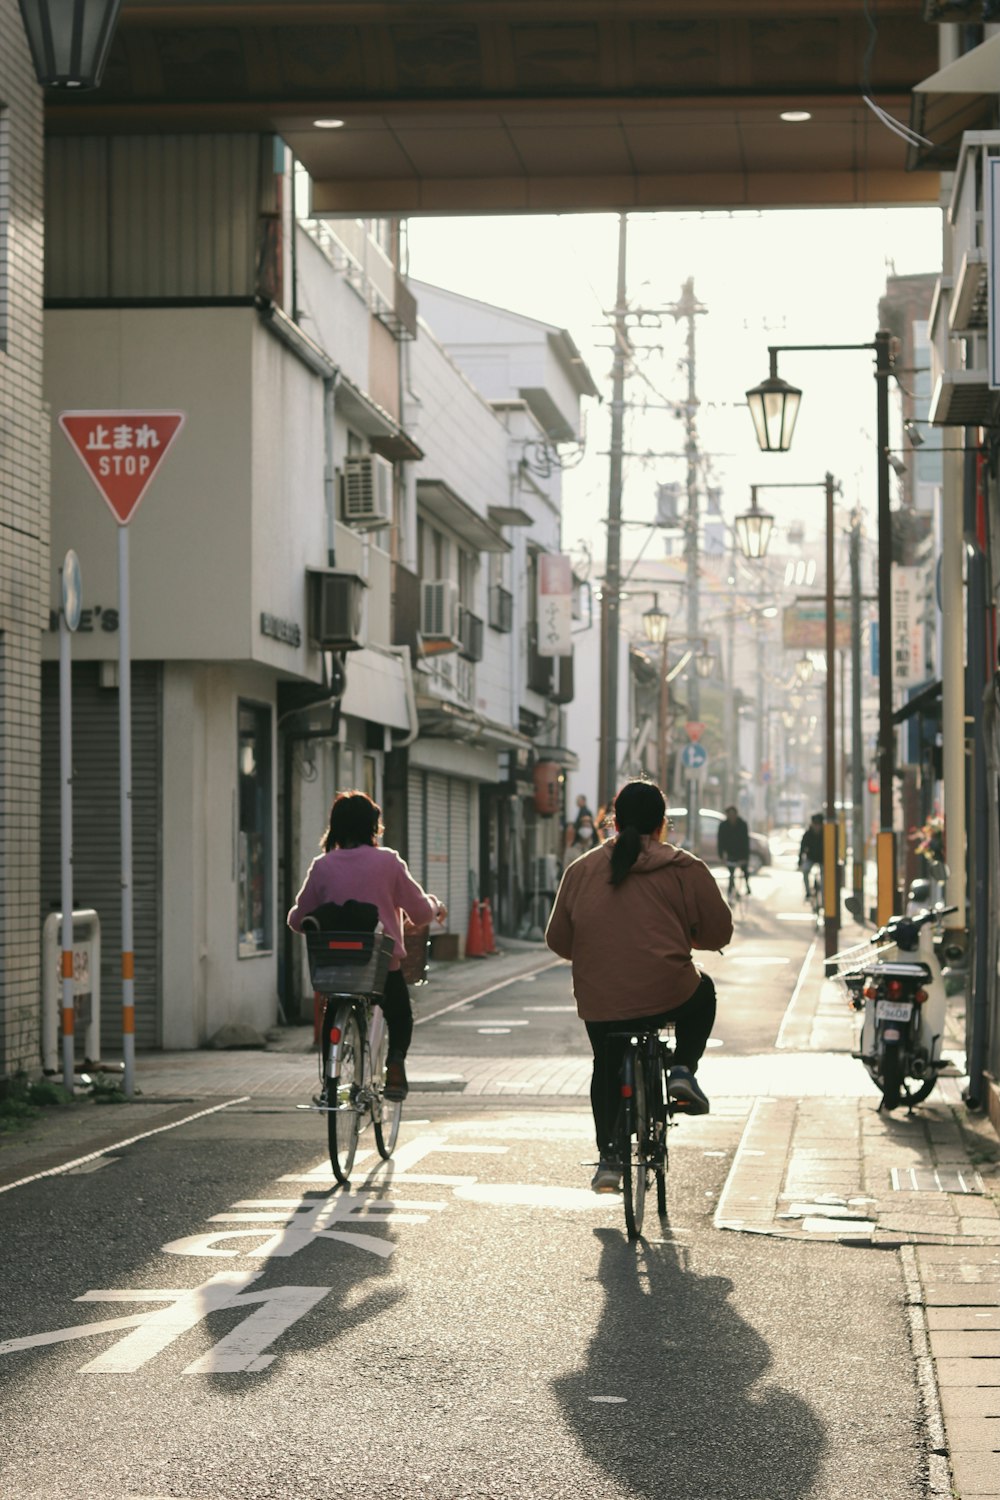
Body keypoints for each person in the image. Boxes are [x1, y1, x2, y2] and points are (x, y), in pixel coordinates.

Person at [545, 778, 733, 1193]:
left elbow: (558, 940)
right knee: (704, 993)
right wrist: (688, 938)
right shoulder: (684, 867)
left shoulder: (582, 870)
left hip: (601, 999)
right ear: (662, 824)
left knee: (605, 1065)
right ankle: (683, 1068)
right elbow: (718, 933)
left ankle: (610, 1159)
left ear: (613, 821)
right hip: (669, 990)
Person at [287, 790, 447, 1101]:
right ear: (373, 827)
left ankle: (331, 1082)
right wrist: (435, 904)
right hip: (379, 965)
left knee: (334, 1009)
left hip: (334, 967)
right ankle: (396, 1064)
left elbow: (297, 919)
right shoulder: (387, 862)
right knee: (400, 1015)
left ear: (335, 827)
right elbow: (420, 912)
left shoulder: (322, 866)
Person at [717, 805, 752, 898]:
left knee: (745, 871)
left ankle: (747, 886)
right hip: (730, 853)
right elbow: (720, 842)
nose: (731, 817)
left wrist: (745, 858)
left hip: (741, 853)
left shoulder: (742, 824)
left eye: (733, 814)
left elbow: (746, 842)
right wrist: (721, 856)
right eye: (729, 815)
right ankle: (731, 890)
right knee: (731, 873)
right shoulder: (723, 826)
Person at [798, 813, 825, 899]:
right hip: (811, 858)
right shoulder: (808, 834)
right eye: (815, 824)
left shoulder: (826, 834)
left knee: (825, 875)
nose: (816, 827)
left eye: (818, 824)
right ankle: (808, 892)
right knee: (805, 871)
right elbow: (802, 848)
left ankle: (824, 892)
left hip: (823, 859)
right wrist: (800, 861)